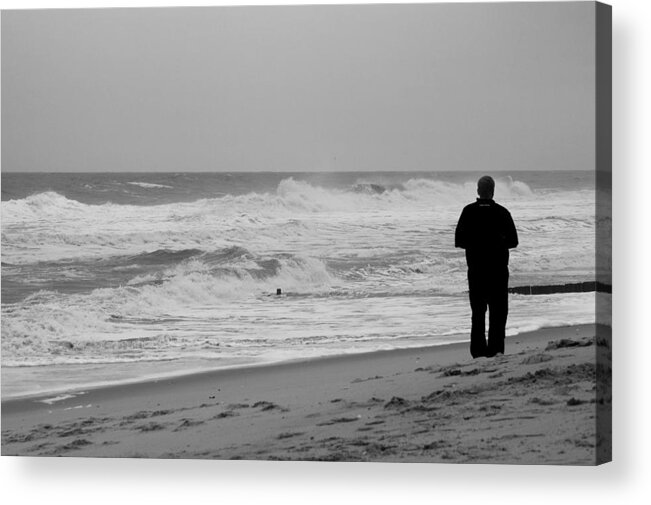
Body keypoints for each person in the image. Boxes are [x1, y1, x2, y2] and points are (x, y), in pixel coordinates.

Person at [455, 176, 518, 358]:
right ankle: (496, 351)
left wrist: (476, 243)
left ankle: (478, 353)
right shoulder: (502, 213)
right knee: (498, 313)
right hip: (498, 270)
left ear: (477, 190)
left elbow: (459, 241)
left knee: (478, 313)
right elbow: (514, 241)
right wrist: (498, 242)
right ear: (493, 191)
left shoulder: (468, 212)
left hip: (476, 270)